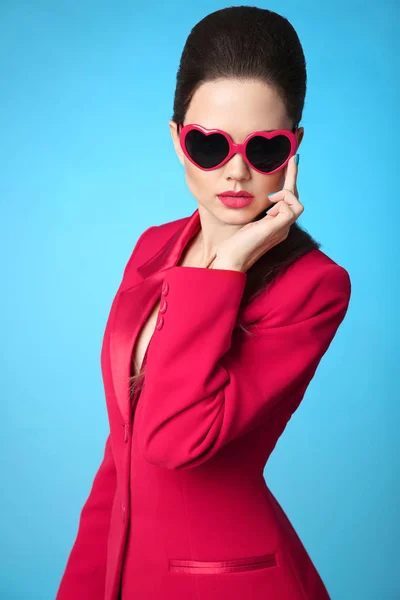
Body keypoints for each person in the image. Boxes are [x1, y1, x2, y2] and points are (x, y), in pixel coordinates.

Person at [56, 6, 351, 600]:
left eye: (264, 149)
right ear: (176, 139)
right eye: (209, 144)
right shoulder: (152, 247)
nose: (236, 172)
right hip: (122, 572)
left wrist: (231, 263)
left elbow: (173, 439)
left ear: (293, 150)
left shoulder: (314, 287)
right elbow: (124, 454)